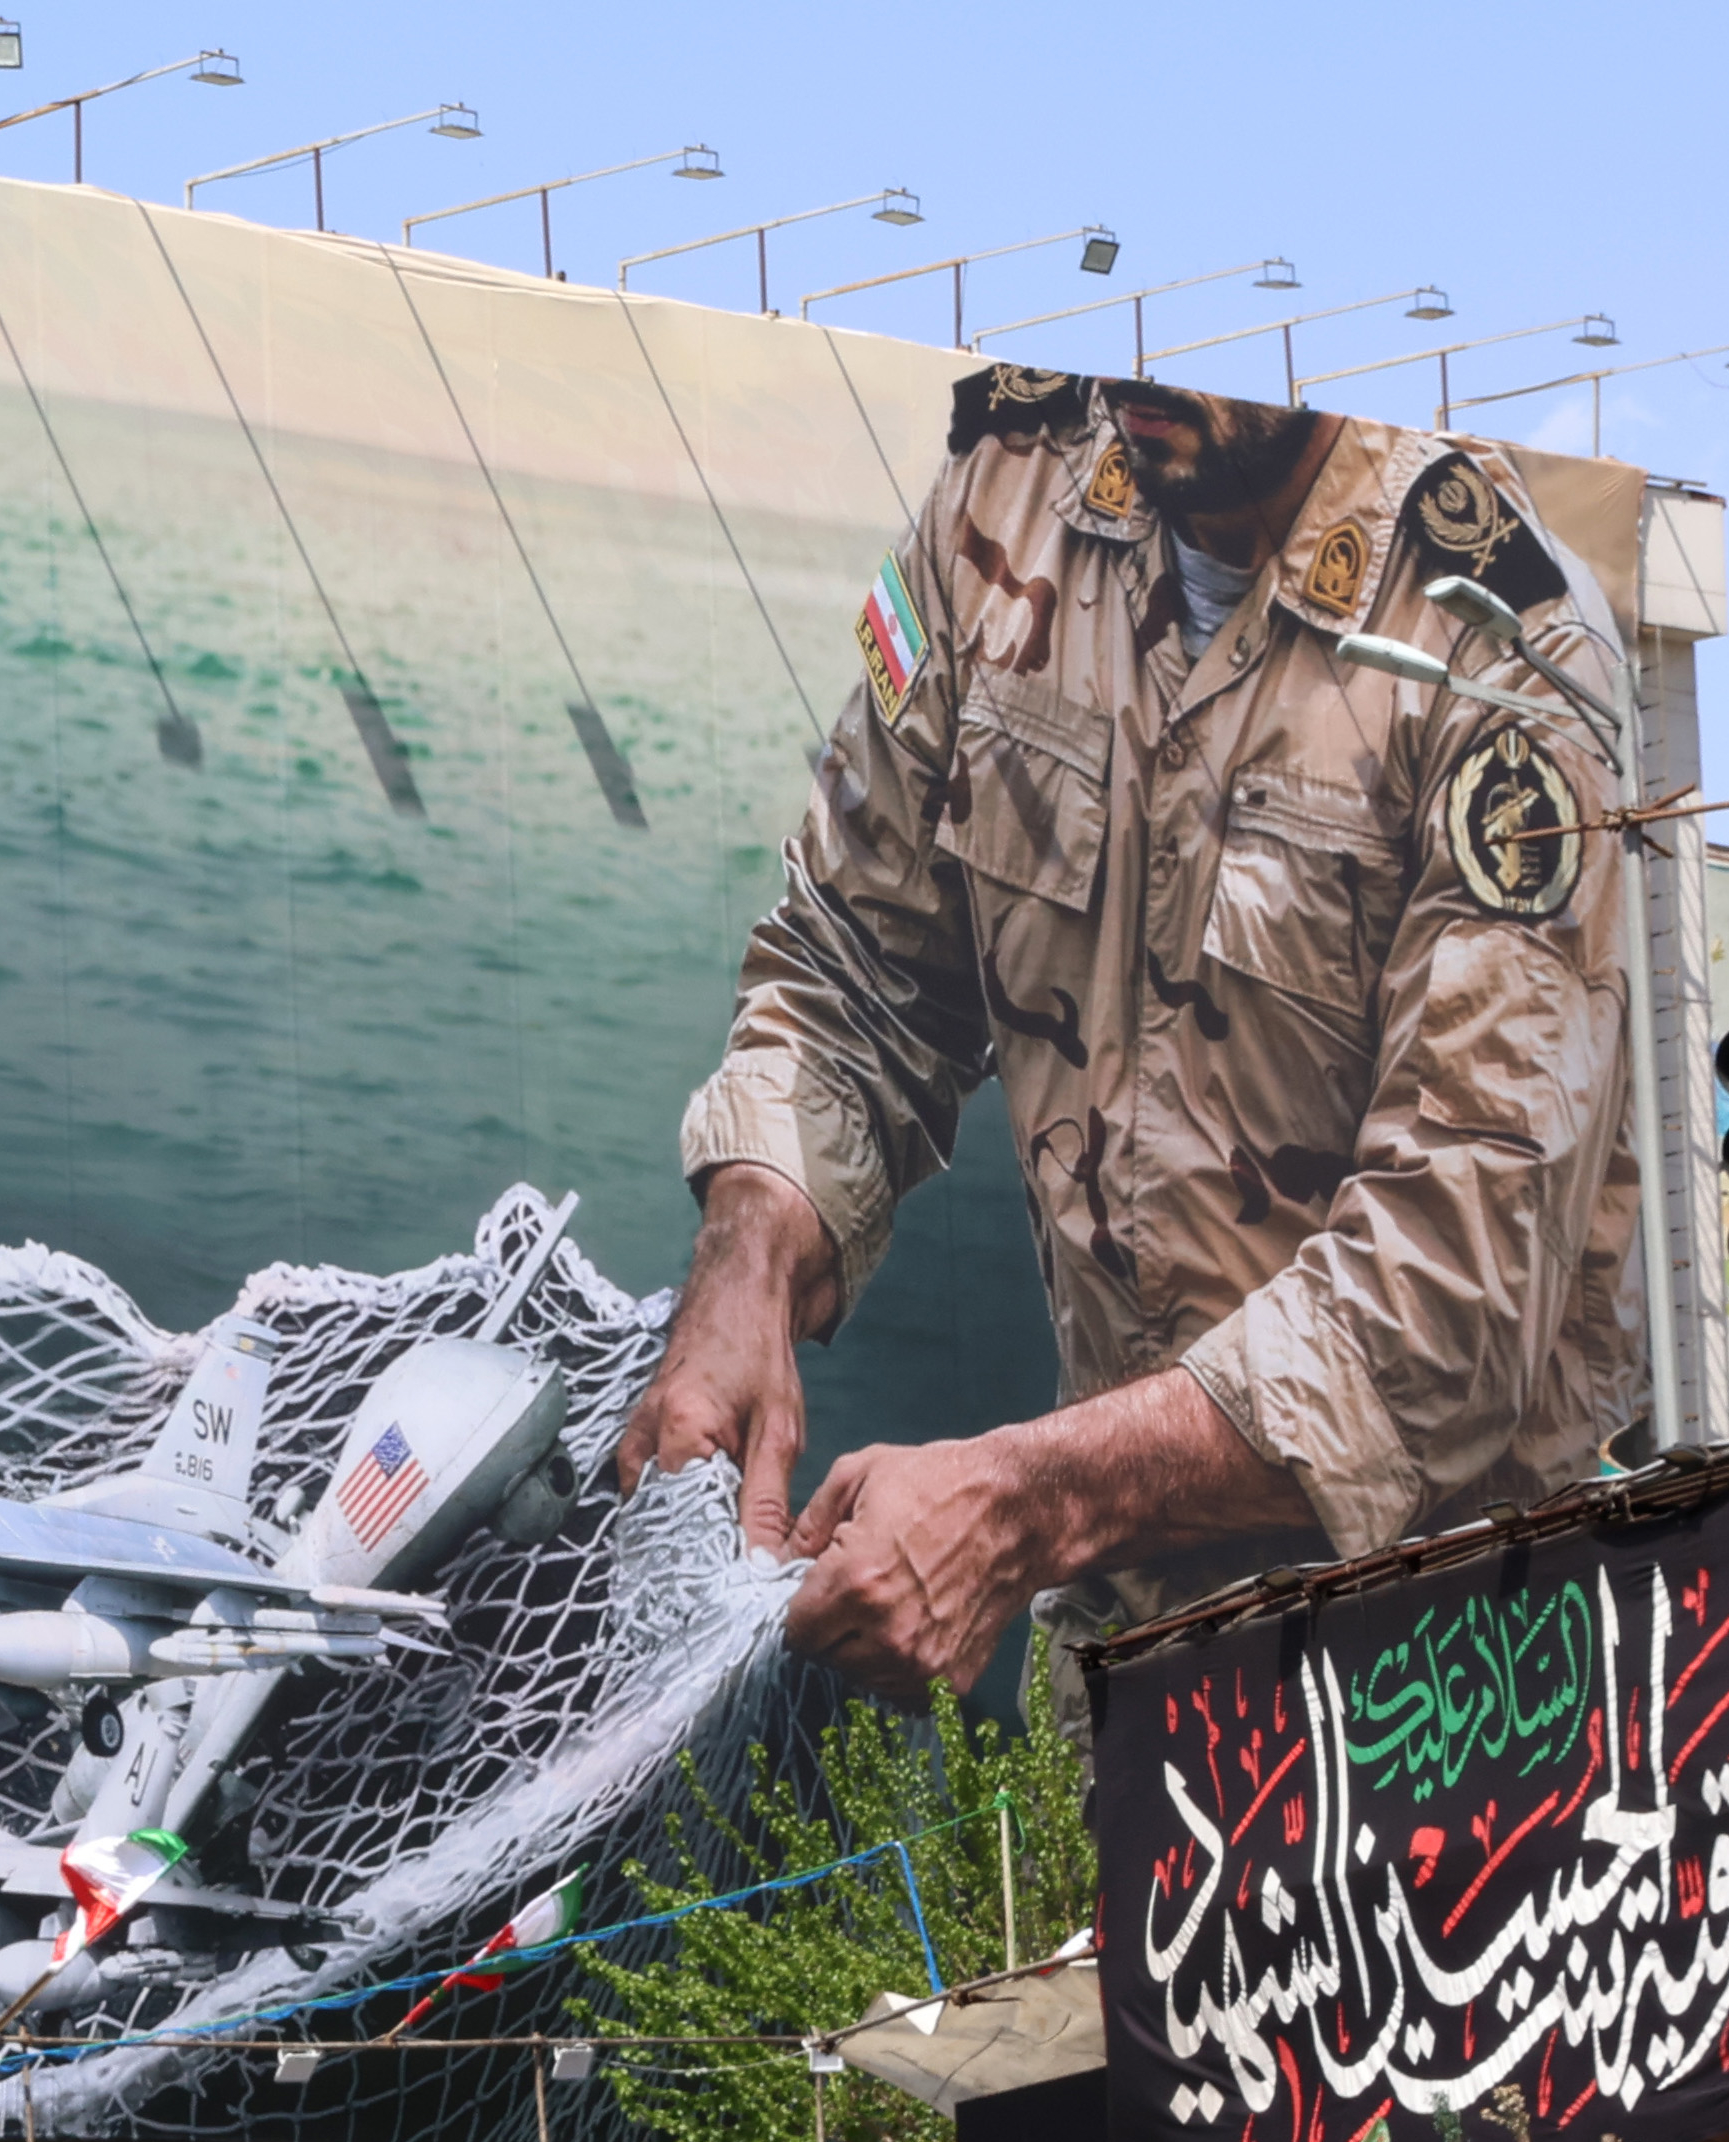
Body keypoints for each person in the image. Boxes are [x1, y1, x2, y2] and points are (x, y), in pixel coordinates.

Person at [617, 371, 1645, 1695]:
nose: (1132, 370)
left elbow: (1452, 1296)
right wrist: (744, 1256)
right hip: (1118, 1661)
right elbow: (856, 960)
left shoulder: (1497, 646)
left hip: (1442, 1677)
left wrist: (1015, 1503)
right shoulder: (1007, 497)